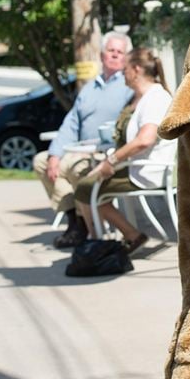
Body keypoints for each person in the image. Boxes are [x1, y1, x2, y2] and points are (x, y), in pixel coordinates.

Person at [32, 30, 133, 248]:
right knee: (41, 161)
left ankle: (85, 226)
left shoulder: (129, 86)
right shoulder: (90, 87)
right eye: (111, 50)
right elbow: (72, 123)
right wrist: (54, 154)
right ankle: (75, 220)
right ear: (102, 54)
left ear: (127, 57)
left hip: (104, 154)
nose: (115, 55)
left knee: (78, 169)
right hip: (77, 150)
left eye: (120, 52)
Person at [73, 47, 176, 252]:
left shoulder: (156, 98)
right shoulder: (140, 97)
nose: (121, 73)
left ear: (136, 69)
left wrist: (111, 161)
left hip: (147, 169)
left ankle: (99, 245)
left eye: (125, 68)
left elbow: (144, 140)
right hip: (134, 165)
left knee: (86, 187)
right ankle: (118, 237)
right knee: (87, 181)